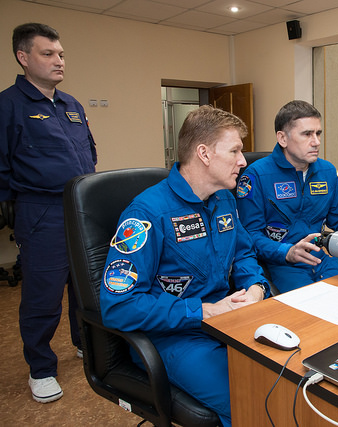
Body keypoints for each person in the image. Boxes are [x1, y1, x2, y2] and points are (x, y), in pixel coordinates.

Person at [101, 106, 269, 427]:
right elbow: (118, 306)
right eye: (234, 150)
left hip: (226, 321)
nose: (243, 161)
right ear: (204, 153)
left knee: (286, 376)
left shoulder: (224, 199)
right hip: (170, 336)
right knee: (253, 397)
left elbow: (244, 253)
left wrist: (256, 287)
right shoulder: (146, 214)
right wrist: (203, 312)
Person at [0, 23, 97, 403]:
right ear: (24, 57)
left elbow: (87, 152)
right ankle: (40, 368)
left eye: (61, 55)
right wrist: (11, 203)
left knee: (84, 287)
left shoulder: (71, 104)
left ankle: (82, 343)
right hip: (41, 211)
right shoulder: (8, 105)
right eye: (48, 54)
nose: (59, 61)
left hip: (80, 208)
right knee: (43, 295)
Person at [236, 100, 338, 293]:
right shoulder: (256, 176)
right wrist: (286, 252)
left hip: (322, 256)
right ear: (282, 138)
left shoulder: (327, 171)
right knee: (310, 311)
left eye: (318, 133)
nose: (316, 141)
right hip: (281, 263)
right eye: (307, 134)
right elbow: (250, 235)